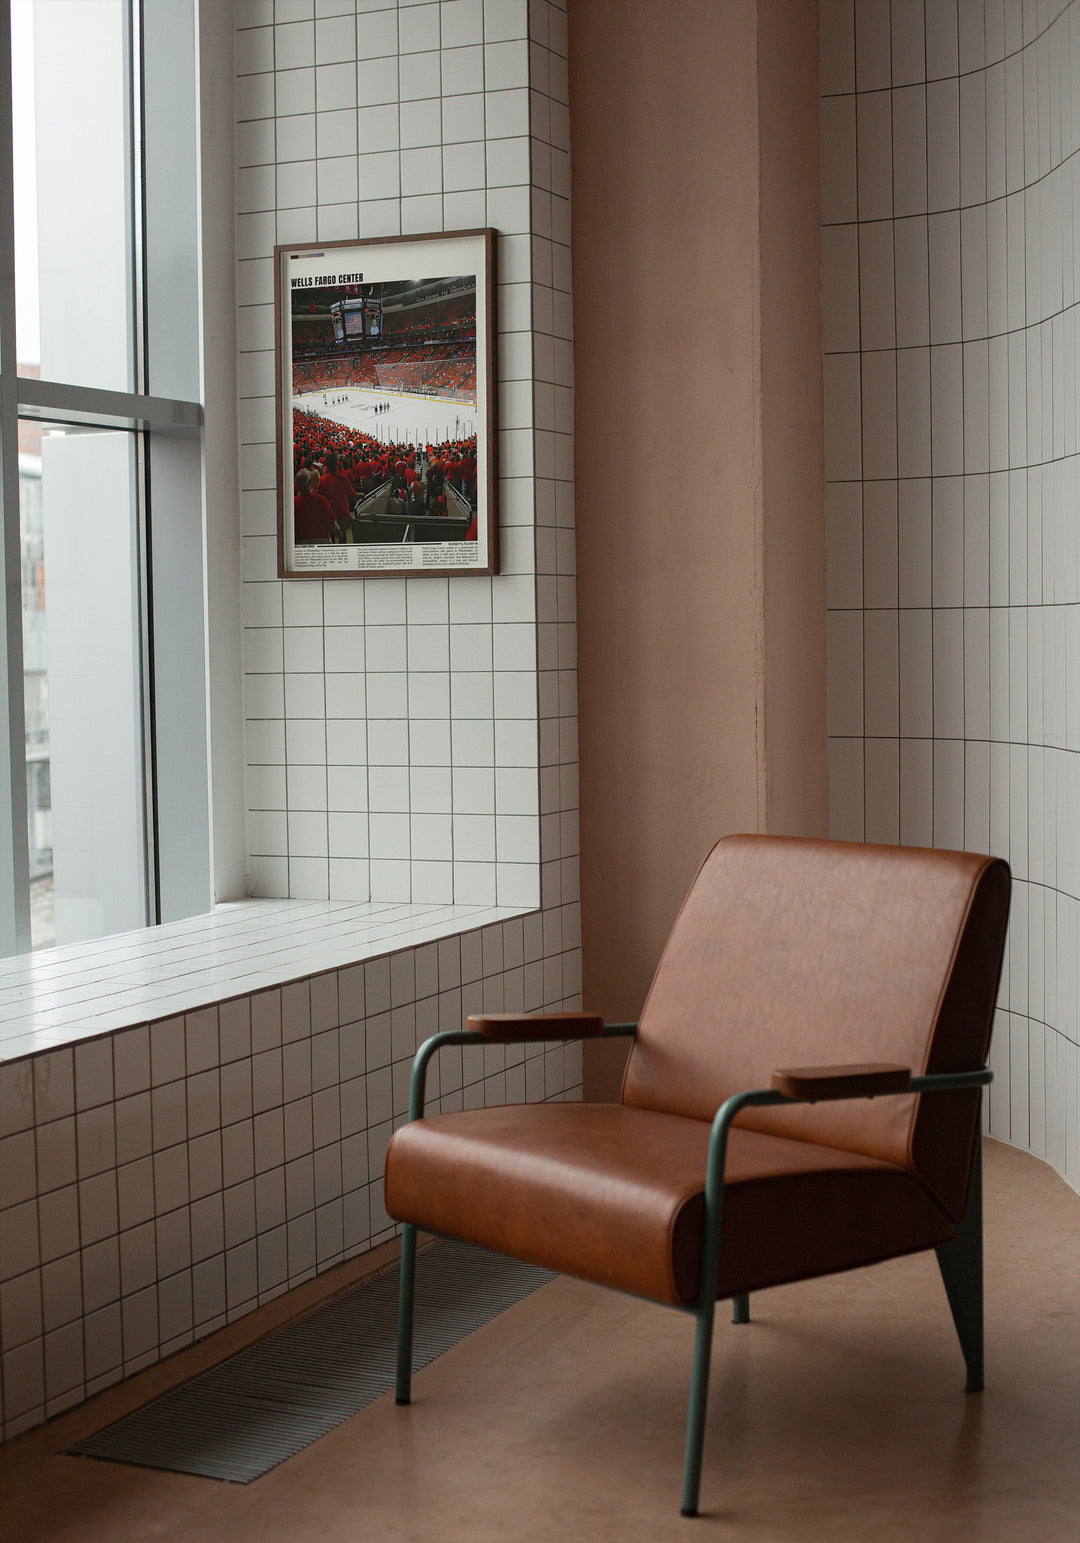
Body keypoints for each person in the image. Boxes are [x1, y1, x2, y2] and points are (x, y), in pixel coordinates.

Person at [293, 467, 336, 543]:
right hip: (322, 541)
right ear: (310, 482)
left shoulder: (292, 503)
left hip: (299, 543)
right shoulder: (320, 500)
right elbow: (332, 526)